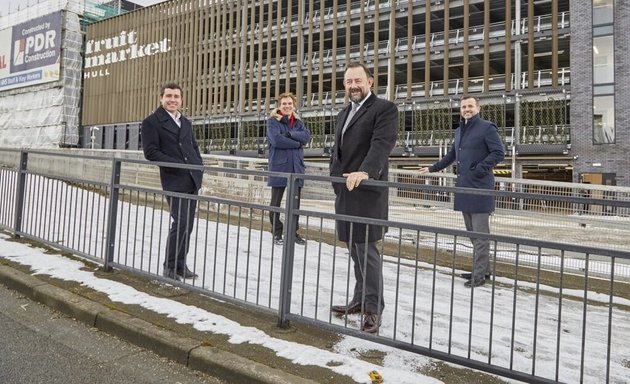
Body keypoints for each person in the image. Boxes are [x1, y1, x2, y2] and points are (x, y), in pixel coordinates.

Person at [329, 63, 398, 334]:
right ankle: (359, 300)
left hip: (367, 193)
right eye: (348, 81)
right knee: (355, 251)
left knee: (367, 252)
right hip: (345, 192)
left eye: (358, 80)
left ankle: (373, 309)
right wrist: (336, 178)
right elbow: (339, 151)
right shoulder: (344, 112)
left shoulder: (384, 109)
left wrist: (366, 171)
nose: (353, 85)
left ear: (370, 82)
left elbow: (382, 143)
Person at [419, 95, 505, 288]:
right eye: (464, 106)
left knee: (481, 235)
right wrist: (432, 168)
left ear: (478, 108)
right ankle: (481, 269)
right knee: (473, 234)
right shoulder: (459, 131)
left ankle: (480, 275)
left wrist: (480, 169)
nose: (467, 109)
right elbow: (451, 156)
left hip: (480, 188)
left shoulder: (487, 127)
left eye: (470, 106)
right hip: (464, 187)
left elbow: (499, 152)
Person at [141, 83, 203, 281]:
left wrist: (198, 166)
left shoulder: (185, 122)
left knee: (189, 225)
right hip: (174, 178)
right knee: (181, 222)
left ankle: (180, 265)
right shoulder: (152, 122)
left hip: (192, 178)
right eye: (169, 96)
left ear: (181, 100)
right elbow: (151, 152)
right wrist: (178, 165)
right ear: (161, 98)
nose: (173, 99)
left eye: (176, 96)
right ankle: (169, 267)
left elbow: (193, 147)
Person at [266, 92, 311, 246]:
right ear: (279, 105)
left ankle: (293, 232)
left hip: (296, 167)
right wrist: (297, 143)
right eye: (284, 103)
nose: (287, 106)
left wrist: (290, 134)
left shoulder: (298, 122)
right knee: (276, 202)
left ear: (294, 105)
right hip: (279, 166)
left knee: (295, 204)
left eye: (289, 103)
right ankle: (277, 231)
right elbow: (277, 140)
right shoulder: (272, 122)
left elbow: (306, 136)